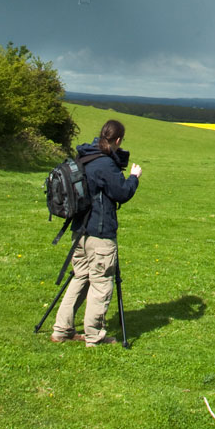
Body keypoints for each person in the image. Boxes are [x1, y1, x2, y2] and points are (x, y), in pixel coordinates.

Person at [51, 119, 142, 346]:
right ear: (118, 140)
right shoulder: (105, 164)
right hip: (100, 234)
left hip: (79, 232)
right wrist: (134, 177)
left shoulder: (85, 156)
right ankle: (95, 336)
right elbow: (121, 193)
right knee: (101, 283)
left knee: (80, 278)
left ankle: (61, 330)